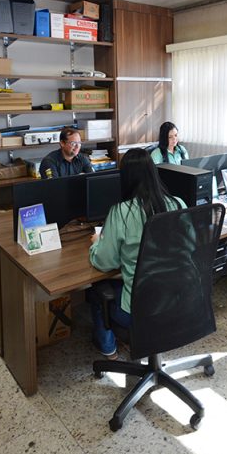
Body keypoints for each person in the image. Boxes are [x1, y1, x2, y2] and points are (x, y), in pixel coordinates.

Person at [87, 148, 186, 358]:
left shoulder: (121, 212)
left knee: (95, 290)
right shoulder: (178, 203)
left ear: (125, 178)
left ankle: (108, 348)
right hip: (179, 301)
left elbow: (104, 262)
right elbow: (191, 247)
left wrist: (97, 243)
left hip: (139, 311)